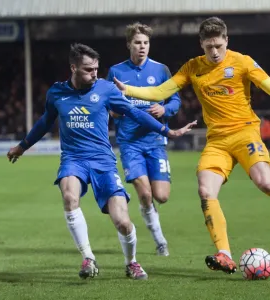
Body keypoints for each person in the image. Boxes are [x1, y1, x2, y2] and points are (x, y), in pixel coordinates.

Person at [7, 43, 196, 280]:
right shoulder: (56, 93)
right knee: (69, 196)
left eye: (96, 68)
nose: (95, 73)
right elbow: (45, 122)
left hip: (103, 162)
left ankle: (132, 263)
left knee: (124, 223)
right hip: (73, 159)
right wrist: (22, 147)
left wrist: (167, 131)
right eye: (88, 69)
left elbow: (134, 113)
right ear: (73, 68)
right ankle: (88, 258)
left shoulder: (106, 90)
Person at [114, 16, 270, 275]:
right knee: (205, 190)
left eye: (219, 46)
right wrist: (128, 90)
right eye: (209, 47)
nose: (215, 52)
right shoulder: (192, 67)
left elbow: (267, 84)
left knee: (265, 182)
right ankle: (224, 254)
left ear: (226, 41)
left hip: (246, 134)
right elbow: (161, 92)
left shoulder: (241, 62)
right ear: (201, 44)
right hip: (217, 141)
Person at [107, 22, 181, 256]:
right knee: (145, 193)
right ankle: (160, 241)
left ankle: (150, 211)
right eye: (138, 43)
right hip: (130, 144)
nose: (142, 47)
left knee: (161, 196)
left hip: (156, 141)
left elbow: (176, 101)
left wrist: (165, 110)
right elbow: (107, 103)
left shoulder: (161, 71)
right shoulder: (116, 72)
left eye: (146, 43)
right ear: (129, 44)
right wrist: (114, 111)